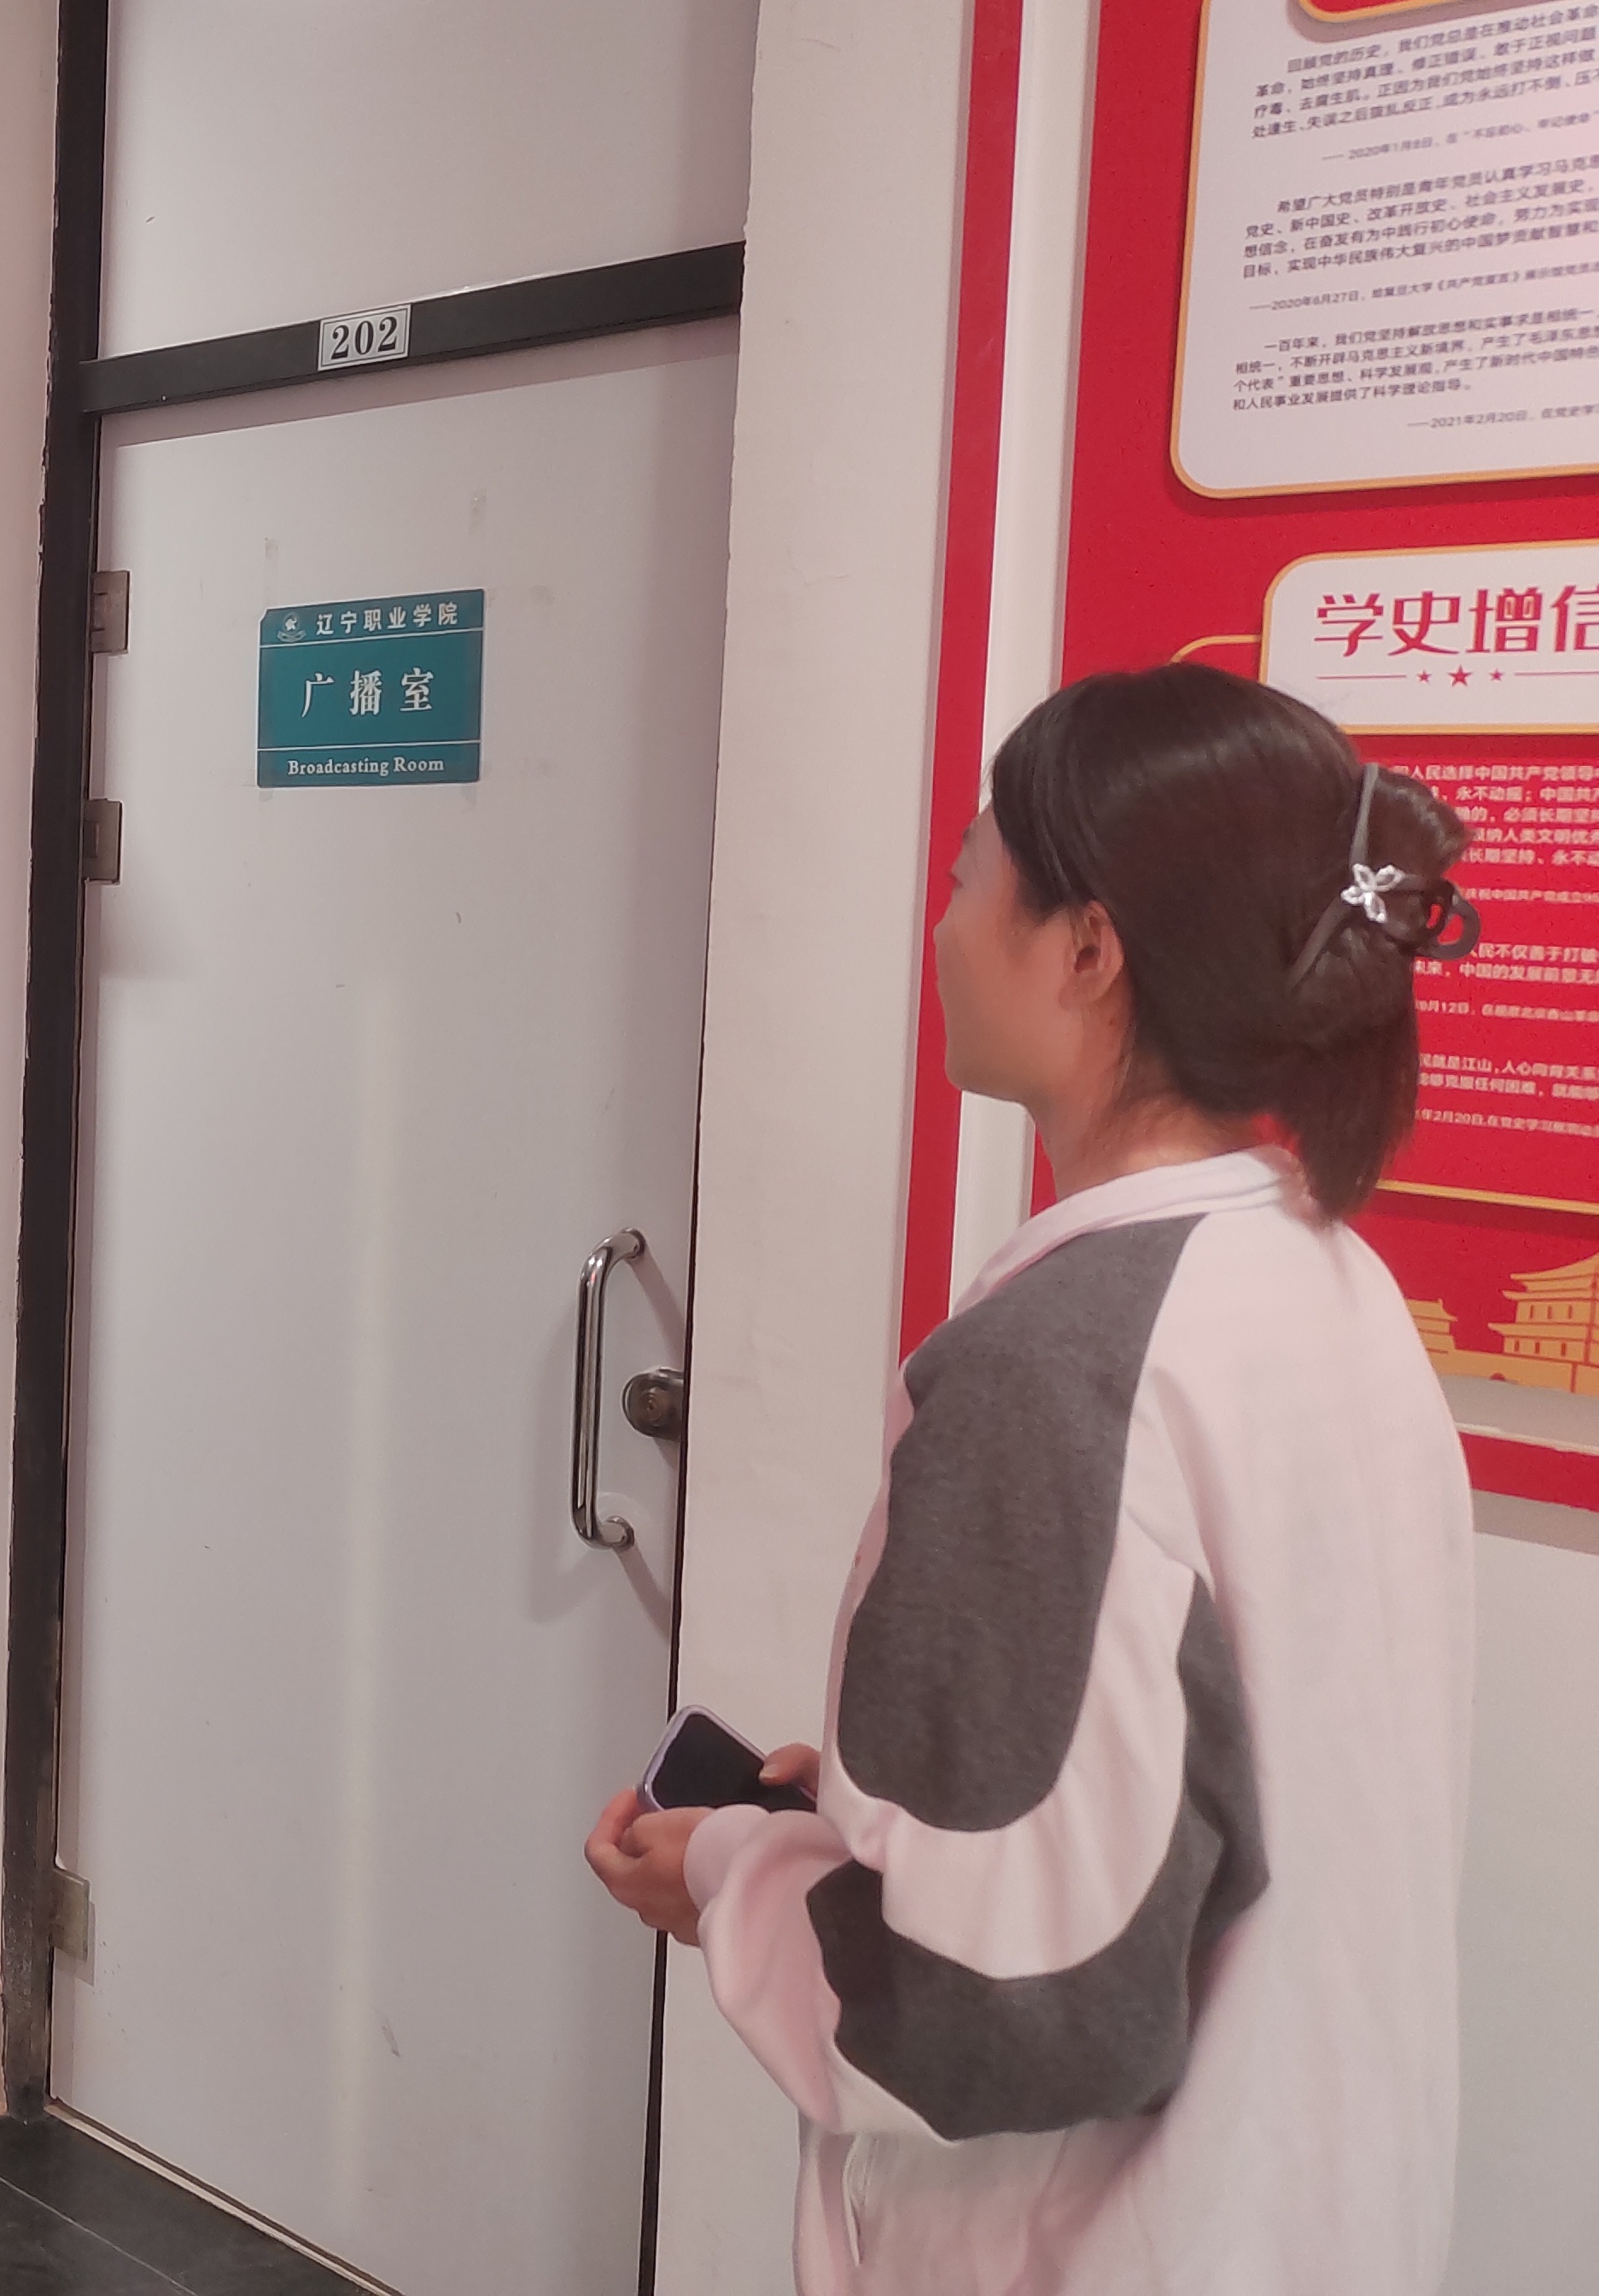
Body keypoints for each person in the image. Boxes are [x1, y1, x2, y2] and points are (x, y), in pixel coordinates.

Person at [585, 665, 1479, 2294]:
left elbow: (994, 2020)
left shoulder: (1055, 1367)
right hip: (1310, 2214)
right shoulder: (1324, 1279)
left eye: (967, 875)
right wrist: (894, 1820)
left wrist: (731, 1871)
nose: (941, 927)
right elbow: (1191, 1777)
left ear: (1088, 950)